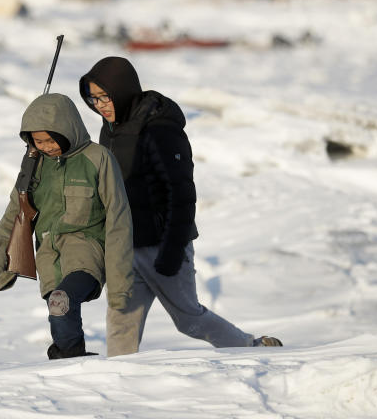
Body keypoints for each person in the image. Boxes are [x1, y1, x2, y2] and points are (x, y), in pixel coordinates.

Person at [79, 56, 282, 356]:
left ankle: (252, 348)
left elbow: (181, 193)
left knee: (188, 319)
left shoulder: (160, 128)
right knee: (121, 321)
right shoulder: (109, 129)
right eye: (93, 98)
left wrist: (172, 250)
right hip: (125, 245)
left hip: (163, 244)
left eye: (105, 97)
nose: (100, 105)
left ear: (121, 90)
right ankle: (118, 386)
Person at [0, 93, 134, 359]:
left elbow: (119, 219)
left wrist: (119, 283)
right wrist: (2, 261)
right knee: (59, 313)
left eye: (49, 139)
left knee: (62, 300)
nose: (45, 146)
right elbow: (13, 214)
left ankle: (69, 360)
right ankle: (70, 362)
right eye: (37, 141)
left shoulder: (97, 158)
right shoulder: (33, 167)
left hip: (87, 252)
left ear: (66, 129)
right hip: (48, 256)